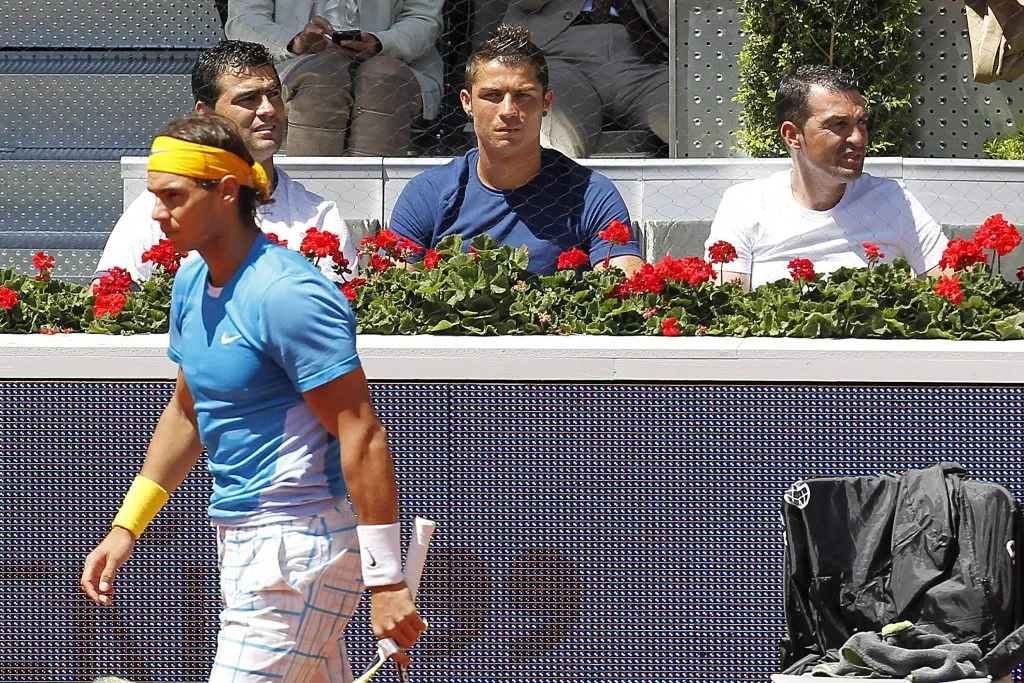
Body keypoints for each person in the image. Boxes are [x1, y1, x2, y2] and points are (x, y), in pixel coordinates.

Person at [80, 114, 424, 682]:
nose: (158, 213)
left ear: (226, 192)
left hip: (299, 551)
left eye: (173, 196)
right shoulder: (190, 282)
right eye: (155, 196)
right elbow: (188, 412)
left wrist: (386, 581)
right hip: (245, 543)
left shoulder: (288, 294)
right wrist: (126, 526)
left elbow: (361, 432)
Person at [388, 25, 645, 276]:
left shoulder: (590, 193)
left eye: (523, 95)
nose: (508, 110)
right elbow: (392, 290)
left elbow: (625, 279)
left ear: (546, 102)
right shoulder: (428, 193)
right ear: (467, 102)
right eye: (492, 95)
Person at [94, 40, 356, 285]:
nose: (268, 109)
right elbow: (108, 293)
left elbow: (337, 313)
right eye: (249, 98)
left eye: (274, 94)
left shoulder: (318, 217)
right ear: (206, 115)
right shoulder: (161, 207)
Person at [704, 65, 948, 290]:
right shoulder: (746, 204)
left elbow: (952, 286)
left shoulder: (892, 200)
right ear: (792, 135)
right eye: (839, 124)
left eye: (861, 122)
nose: (858, 138)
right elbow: (728, 303)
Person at [225, 0, 444, 157]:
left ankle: (372, 203)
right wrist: (294, 43)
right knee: (323, 78)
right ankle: (311, 198)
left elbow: (424, 20)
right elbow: (244, 21)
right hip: (292, 62)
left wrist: (380, 43)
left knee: (382, 79)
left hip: (397, 60)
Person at [503, 0, 669, 158]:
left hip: (645, 58)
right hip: (559, 55)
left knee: (682, 114)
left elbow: (676, 16)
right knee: (548, 126)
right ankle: (553, 177)